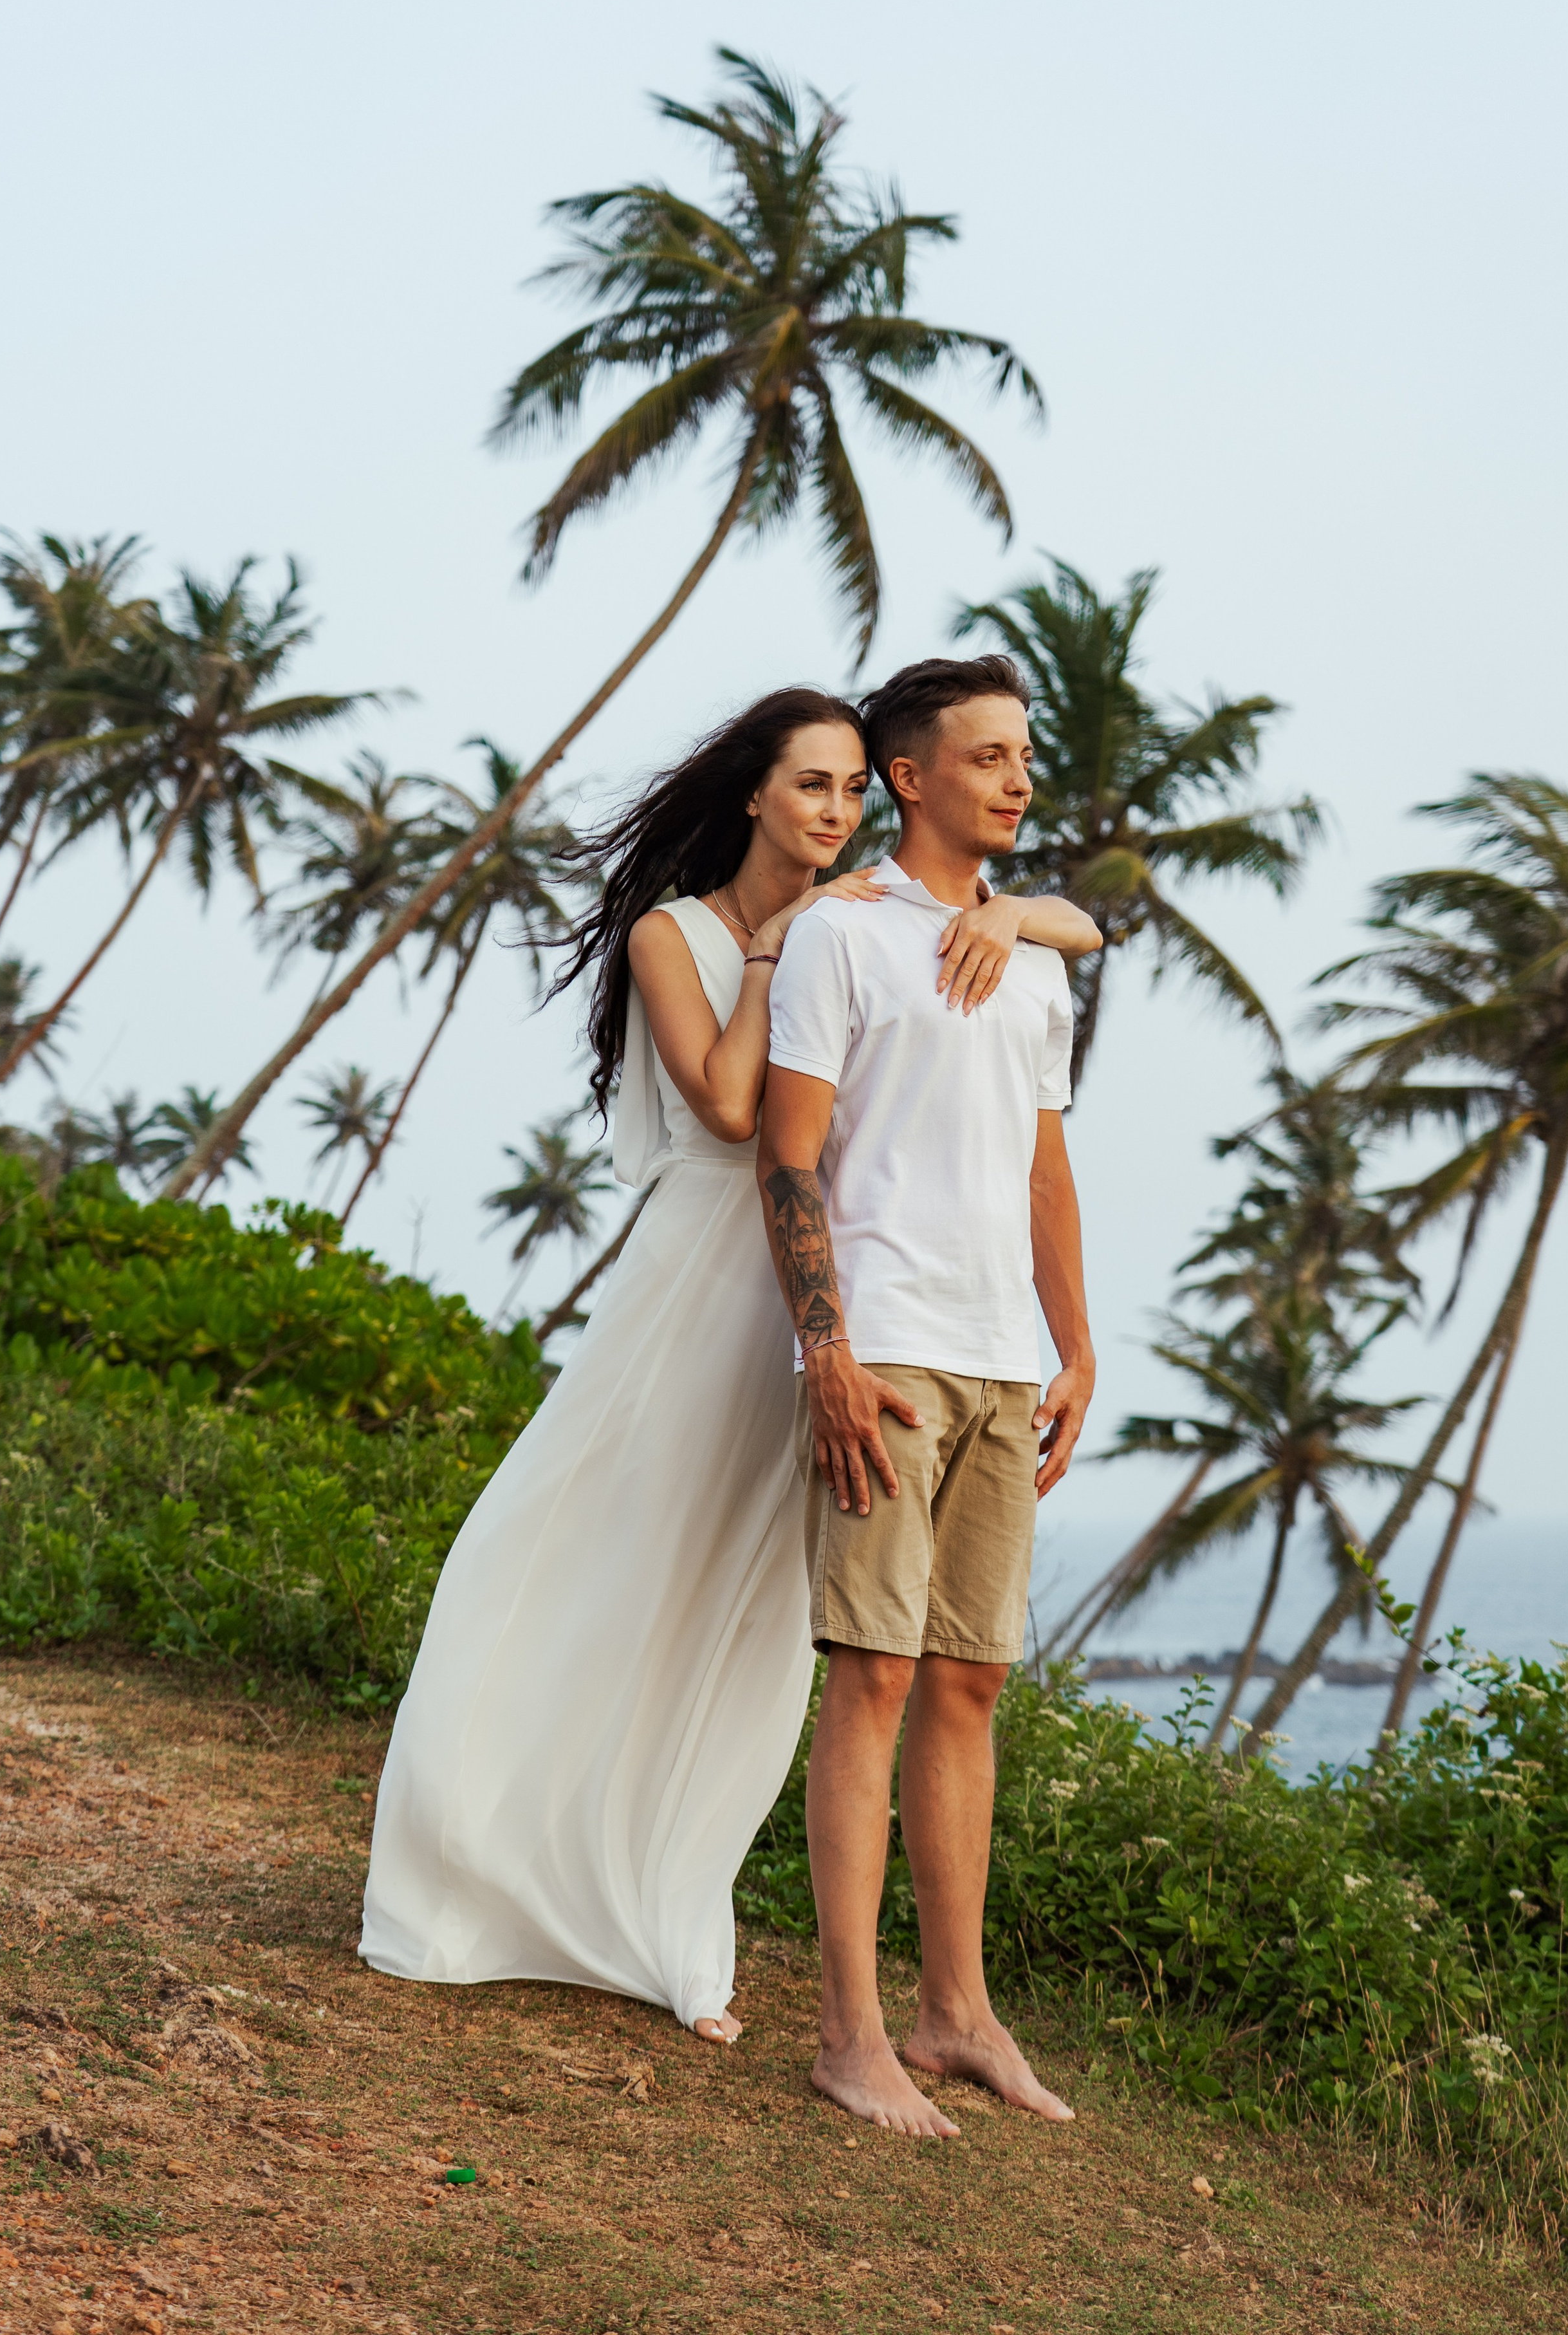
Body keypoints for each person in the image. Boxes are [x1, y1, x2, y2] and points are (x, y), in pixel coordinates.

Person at [360, 687, 1098, 2044]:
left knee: (756, 1624)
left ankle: (664, 1911)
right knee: (600, 1554)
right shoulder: (683, 933)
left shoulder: (854, 928)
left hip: (816, 1300)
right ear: (753, 794)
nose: (831, 813)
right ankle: (475, 1852)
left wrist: (1004, 911)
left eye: (845, 792)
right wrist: (769, 961)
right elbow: (733, 1107)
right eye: (808, 787)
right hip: (707, 1281)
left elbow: (1073, 928)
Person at [757, 652, 1098, 2135]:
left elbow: (1042, 1167)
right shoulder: (843, 937)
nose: (1017, 778)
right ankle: (847, 2032)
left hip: (1000, 1356)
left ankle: (953, 2014)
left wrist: (1076, 1346)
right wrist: (824, 1351)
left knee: (969, 1681)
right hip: (884, 1349)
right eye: (987, 756)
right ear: (910, 775)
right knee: (873, 1676)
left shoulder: (1029, 957)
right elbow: (789, 1156)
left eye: (1025, 755)